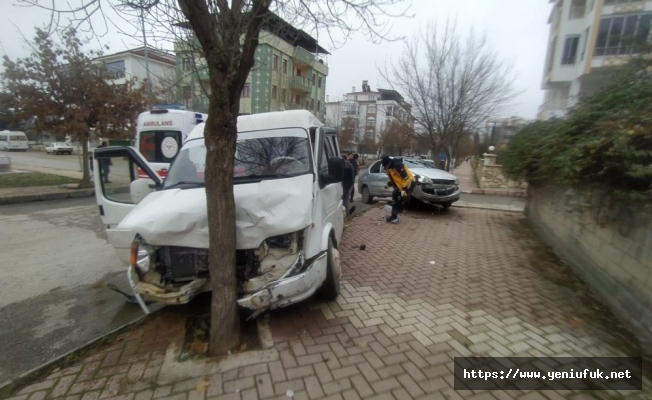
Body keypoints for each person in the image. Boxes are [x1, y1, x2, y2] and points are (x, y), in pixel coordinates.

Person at [381, 156, 416, 223]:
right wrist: (389, 184)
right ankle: (395, 214)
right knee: (396, 196)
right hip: (402, 184)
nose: (385, 168)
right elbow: (395, 179)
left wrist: (404, 189)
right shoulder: (389, 168)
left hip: (409, 182)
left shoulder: (398, 166)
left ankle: (395, 215)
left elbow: (406, 179)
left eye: (385, 166)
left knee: (396, 195)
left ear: (388, 163)